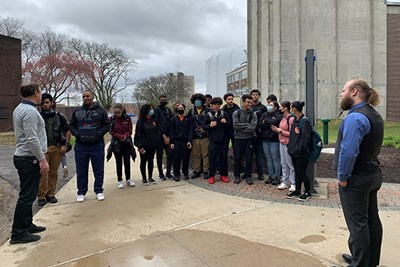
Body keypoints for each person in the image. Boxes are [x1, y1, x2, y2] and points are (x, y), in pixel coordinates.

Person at [335, 78, 384, 267]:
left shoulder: (355, 118)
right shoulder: (373, 114)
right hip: (372, 175)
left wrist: (343, 178)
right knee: (371, 220)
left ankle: (359, 264)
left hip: (356, 179)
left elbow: (348, 152)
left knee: (358, 225)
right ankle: (367, 260)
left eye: (344, 89)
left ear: (354, 92)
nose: (341, 93)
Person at [10, 82, 49, 244]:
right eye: (40, 91)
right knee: (26, 196)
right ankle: (18, 233)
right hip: (29, 158)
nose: (41, 94)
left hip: (25, 157)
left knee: (29, 194)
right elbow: (32, 139)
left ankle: (27, 224)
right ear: (35, 93)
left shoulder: (21, 108)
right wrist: (42, 159)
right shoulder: (29, 112)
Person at [69, 90, 110, 202]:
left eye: (87, 96)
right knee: (81, 170)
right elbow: (71, 126)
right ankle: (81, 192)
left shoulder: (100, 111)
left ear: (92, 97)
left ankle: (99, 190)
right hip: (81, 146)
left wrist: (99, 134)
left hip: (96, 145)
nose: (85, 98)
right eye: (83, 96)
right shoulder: (77, 111)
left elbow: (107, 125)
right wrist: (77, 134)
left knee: (98, 169)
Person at [37, 93, 71, 206]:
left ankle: (51, 194)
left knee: (53, 172)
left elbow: (67, 130)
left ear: (51, 103)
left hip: (56, 148)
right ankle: (41, 196)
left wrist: (65, 145)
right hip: (43, 149)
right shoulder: (38, 116)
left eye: (47, 102)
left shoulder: (59, 116)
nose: (45, 105)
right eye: (43, 103)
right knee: (43, 173)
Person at [285, 101, 313, 201]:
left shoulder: (304, 121)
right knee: (297, 171)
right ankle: (297, 189)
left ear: (295, 109)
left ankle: (307, 191)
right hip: (294, 151)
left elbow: (305, 138)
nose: (291, 109)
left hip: (301, 153)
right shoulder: (295, 120)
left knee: (302, 172)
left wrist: (300, 149)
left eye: (292, 108)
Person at [107, 103, 136, 189]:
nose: (117, 114)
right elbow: (111, 131)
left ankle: (128, 179)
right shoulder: (112, 119)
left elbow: (130, 130)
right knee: (119, 162)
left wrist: (125, 136)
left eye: (119, 112)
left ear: (122, 110)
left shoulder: (127, 118)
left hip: (126, 143)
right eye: (115, 112)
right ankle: (119, 180)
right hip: (116, 144)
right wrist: (120, 137)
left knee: (127, 162)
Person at [232, 94, 257, 185]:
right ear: (243, 102)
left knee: (249, 159)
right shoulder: (236, 113)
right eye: (248, 102)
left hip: (249, 139)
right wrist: (247, 125)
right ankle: (237, 176)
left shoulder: (253, 114)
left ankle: (248, 176)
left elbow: (253, 127)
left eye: (251, 102)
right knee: (237, 158)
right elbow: (235, 125)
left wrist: (242, 126)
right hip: (238, 139)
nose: (250, 104)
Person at [271, 101, 296, 191]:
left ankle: (293, 183)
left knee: (291, 164)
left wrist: (280, 131)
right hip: (281, 143)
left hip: (288, 144)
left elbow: (292, 133)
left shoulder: (291, 119)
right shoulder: (283, 118)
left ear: (285, 108)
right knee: (283, 163)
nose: (279, 108)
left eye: (281, 107)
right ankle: (285, 182)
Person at [204, 97, 229, 184]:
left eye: (218, 105)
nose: (216, 106)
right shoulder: (208, 115)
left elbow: (230, 126)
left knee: (223, 159)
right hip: (213, 141)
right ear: (211, 105)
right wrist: (210, 126)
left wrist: (225, 123)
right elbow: (203, 127)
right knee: (212, 159)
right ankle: (212, 176)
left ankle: (223, 175)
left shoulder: (224, 114)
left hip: (223, 141)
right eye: (215, 104)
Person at [134, 104, 161, 185]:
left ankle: (150, 177)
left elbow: (158, 131)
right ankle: (144, 178)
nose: (152, 110)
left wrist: (156, 140)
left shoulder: (154, 120)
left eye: (152, 109)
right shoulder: (141, 121)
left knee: (151, 161)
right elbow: (138, 134)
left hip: (152, 145)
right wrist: (140, 146)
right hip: (144, 145)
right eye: (150, 109)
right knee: (143, 161)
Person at [258, 100, 283, 185]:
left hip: (274, 140)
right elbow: (260, 124)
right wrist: (269, 123)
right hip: (265, 140)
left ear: (275, 107)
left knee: (276, 159)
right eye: (268, 104)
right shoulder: (264, 114)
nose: (269, 106)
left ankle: (277, 176)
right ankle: (270, 176)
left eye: (271, 105)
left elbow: (276, 122)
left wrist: (266, 122)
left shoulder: (278, 115)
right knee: (269, 159)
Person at [188, 93, 211, 179]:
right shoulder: (191, 111)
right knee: (196, 154)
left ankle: (206, 171)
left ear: (203, 101)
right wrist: (190, 139)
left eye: (199, 100)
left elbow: (211, 123)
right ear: (193, 102)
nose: (197, 102)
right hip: (195, 137)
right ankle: (197, 171)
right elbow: (189, 125)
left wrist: (205, 130)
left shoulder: (208, 110)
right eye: (196, 100)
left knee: (205, 154)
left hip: (205, 137)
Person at [170, 103, 193, 181]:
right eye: (178, 108)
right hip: (176, 141)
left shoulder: (188, 119)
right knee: (176, 159)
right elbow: (171, 131)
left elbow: (190, 131)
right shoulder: (173, 119)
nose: (180, 109)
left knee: (186, 158)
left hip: (185, 141)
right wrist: (172, 142)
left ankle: (185, 173)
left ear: (184, 108)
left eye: (181, 108)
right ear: (176, 109)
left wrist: (189, 141)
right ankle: (177, 174)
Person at [155, 95, 174, 180]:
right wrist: (164, 136)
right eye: (162, 100)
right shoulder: (156, 110)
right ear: (159, 100)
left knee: (170, 154)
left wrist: (169, 136)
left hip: (168, 137)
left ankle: (168, 172)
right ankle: (160, 173)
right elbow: (157, 124)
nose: (164, 101)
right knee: (159, 156)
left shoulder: (167, 110)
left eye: (165, 100)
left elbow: (171, 123)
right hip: (159, 137)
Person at [250, 89, 267, 181]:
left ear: (259, 96)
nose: (255, 96)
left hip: (259, 136)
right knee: (248, 155)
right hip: (249, 135)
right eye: (253, 94)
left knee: (259, 156)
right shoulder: (248, 107)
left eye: (256, 94)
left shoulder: (263, 108)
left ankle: (260, 174)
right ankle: (248, 173)